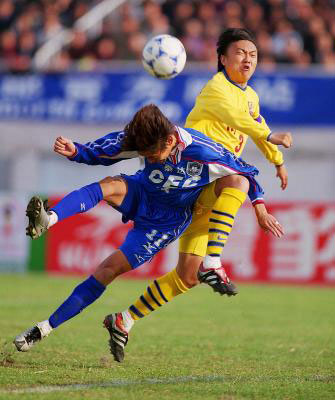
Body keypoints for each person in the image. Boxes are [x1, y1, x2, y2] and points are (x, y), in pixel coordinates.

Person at [14, 104, 284, 362]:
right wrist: (77, 152)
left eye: (152, 155)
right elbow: (103, 152)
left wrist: (260, 209)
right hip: (143, 193)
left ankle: (43, 328)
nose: (149, 159)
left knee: (108, 270)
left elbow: (246, 174)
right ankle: (49, 218)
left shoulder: (201, 149)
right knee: (107, 185)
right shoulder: (142, 138)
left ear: (169, 141)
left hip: (166, 221)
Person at [107, 28, 292, 361]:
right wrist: (271, 137)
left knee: (187, 277)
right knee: (239, 182)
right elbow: (243, 122)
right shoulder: (215, 89)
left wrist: (277, 160)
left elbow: (254, 119)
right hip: (195, 179)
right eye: (240, 53)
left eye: (252, 53)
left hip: (206, 195)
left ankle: (124, 319)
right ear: (222, 59)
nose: (247, 58)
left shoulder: (250, 95)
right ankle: (214, 261)